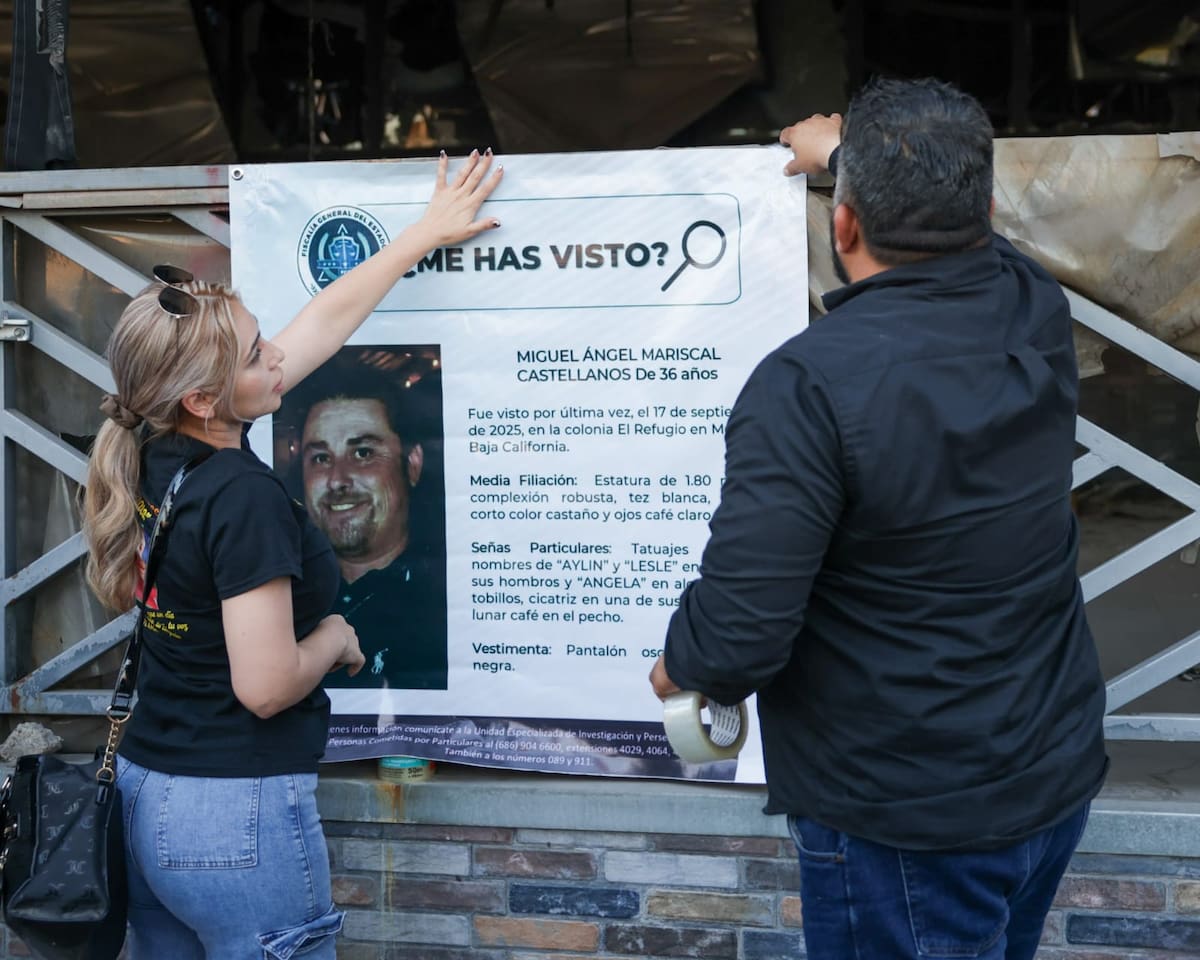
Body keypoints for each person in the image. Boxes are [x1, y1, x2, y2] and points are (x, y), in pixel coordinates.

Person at [649, 77, 1108, 960]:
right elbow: (980, 240)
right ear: (979, 205)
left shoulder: (810, 383)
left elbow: (740, 634)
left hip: (907, 820)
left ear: (843, 227)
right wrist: (846, 164)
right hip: (1050, 772)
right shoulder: (1033, 307)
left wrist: (683, 665)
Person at [81, 149, 502, 959]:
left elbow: (323, 323)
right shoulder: (242, 495)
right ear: (206, 398)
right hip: (229, 814)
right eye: (255, 353)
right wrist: (335, 638)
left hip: (144, 795)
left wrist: (422, 235)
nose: (277, 356)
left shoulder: (154, 447)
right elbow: (267, 685)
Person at [287, 353, 448, 689]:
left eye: (362, 453)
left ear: (413, 463)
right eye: (320, 458)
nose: (337, 480)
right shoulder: (282, 596)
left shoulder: (447, 599)